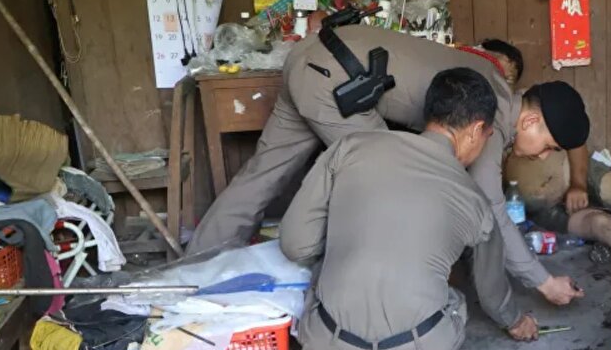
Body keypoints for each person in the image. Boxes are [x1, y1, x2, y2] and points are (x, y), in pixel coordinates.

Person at [188, 24, 588, 307]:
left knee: (261, 177)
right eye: (548, 146)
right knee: (386, 186)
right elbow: (492, 210)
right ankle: (358, 304)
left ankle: (191, 274)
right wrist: (542, 280)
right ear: (531, 121)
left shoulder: (493, 79)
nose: (541, 156)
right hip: (337, 80)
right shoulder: (492, 115)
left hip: (313, 58)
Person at [279, 68, 537, 350]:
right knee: (454, 300)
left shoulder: (349, 147)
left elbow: (295, 244)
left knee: (329, 274)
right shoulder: (474, 202)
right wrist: (515, 320)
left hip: (327, 347)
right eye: (486, 138)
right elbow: (491, 290)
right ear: (475, 130)